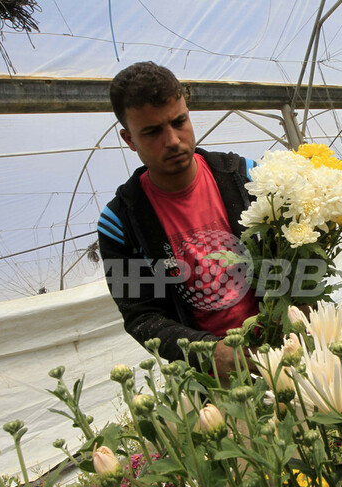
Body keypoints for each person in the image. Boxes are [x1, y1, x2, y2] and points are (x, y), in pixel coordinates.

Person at [97, 61, 259, 381]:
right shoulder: (120, 223)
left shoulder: (249, 178)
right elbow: (143, 317)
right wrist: (209, 352)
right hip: (210, 378)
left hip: (289, 348)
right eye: (152, 132)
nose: (172, 140)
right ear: (129, 139)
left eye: (179, 121)